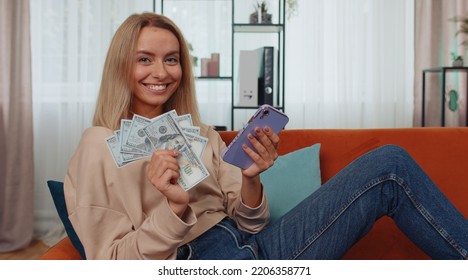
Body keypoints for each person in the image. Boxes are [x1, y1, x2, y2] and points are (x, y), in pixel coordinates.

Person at [64, 12, 468, 260]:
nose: (162, 72)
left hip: (254, 247)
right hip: (199, 261)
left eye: (171, 59)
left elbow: (252, 223)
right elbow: (111, 264)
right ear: (121, 66)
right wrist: (172, 211)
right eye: (144, 59)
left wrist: (251, 178)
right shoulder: (97, 147)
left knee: (390, 164)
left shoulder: (202, 134)